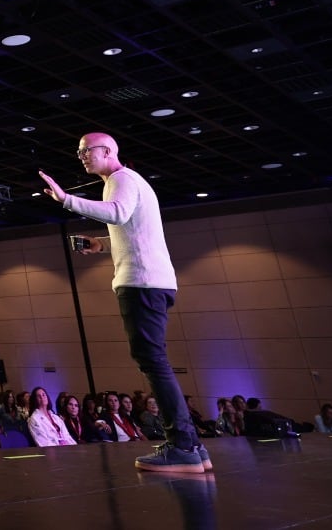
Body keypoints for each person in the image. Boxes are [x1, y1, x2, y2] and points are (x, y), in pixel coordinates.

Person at [41, 132, 212, 474]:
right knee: (154, 360)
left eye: (86, 150)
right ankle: (192, 445)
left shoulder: (120, 179)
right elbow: (132, 227)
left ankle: (183, 446)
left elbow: (118, 213)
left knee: (152, 361)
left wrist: (65, 199)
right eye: (79, 152)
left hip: (141, 284)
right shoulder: (129, 181)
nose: (81, 157)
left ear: (108, 151)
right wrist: (101, 245)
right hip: (153, 282)